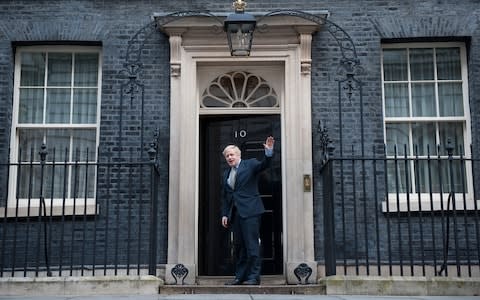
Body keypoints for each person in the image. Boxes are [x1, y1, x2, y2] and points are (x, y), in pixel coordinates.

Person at [221, 136, 275, 285]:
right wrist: (225, 214)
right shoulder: (226, 174)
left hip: (251, 211)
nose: (230, 158)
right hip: (236, 214)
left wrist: (268, 152)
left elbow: (264, 164)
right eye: (227, 156)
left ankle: (253, 277)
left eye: (232, 155)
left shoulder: (250, 165)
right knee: (239, 247)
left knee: (252, 245)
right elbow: (226, 196)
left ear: (238, 155)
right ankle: (240, 277)